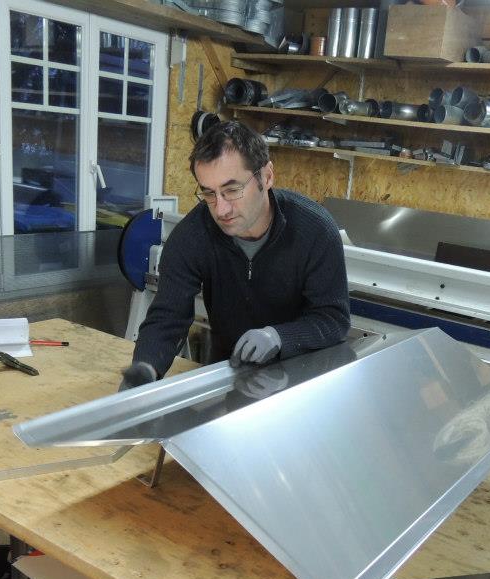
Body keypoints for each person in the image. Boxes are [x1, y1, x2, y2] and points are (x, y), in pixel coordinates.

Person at [121, 121, 350, 389]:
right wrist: (146, 368)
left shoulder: (315, 230)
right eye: (209, 193)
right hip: (231, 377)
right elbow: (167, 317)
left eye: (232, 190)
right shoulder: (192, 236)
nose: (221, 210)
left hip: (304, 381)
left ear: (266, 176)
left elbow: (334, 319)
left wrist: (278, 337)